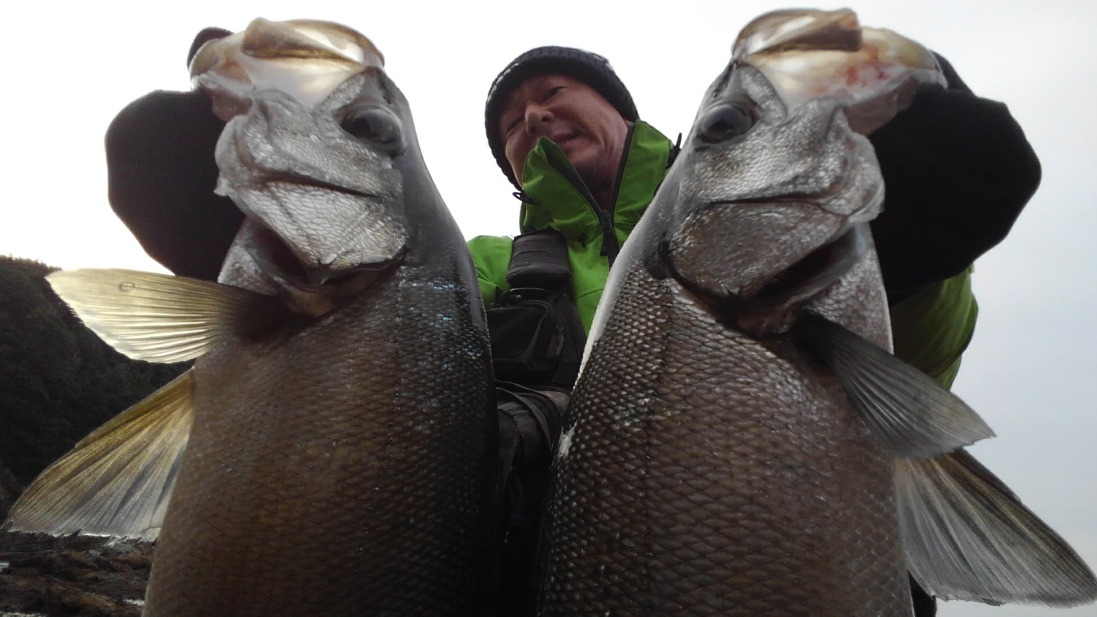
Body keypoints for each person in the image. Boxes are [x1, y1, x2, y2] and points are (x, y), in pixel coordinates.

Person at [104, 31, 1040, 617]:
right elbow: (302, 320)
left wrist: (912, 217)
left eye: (556, 93)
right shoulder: (467, 268)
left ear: (623, 115)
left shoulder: (828, 241)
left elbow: (923, 337)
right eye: (510, 117)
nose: (532, 115)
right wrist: (207, 167)